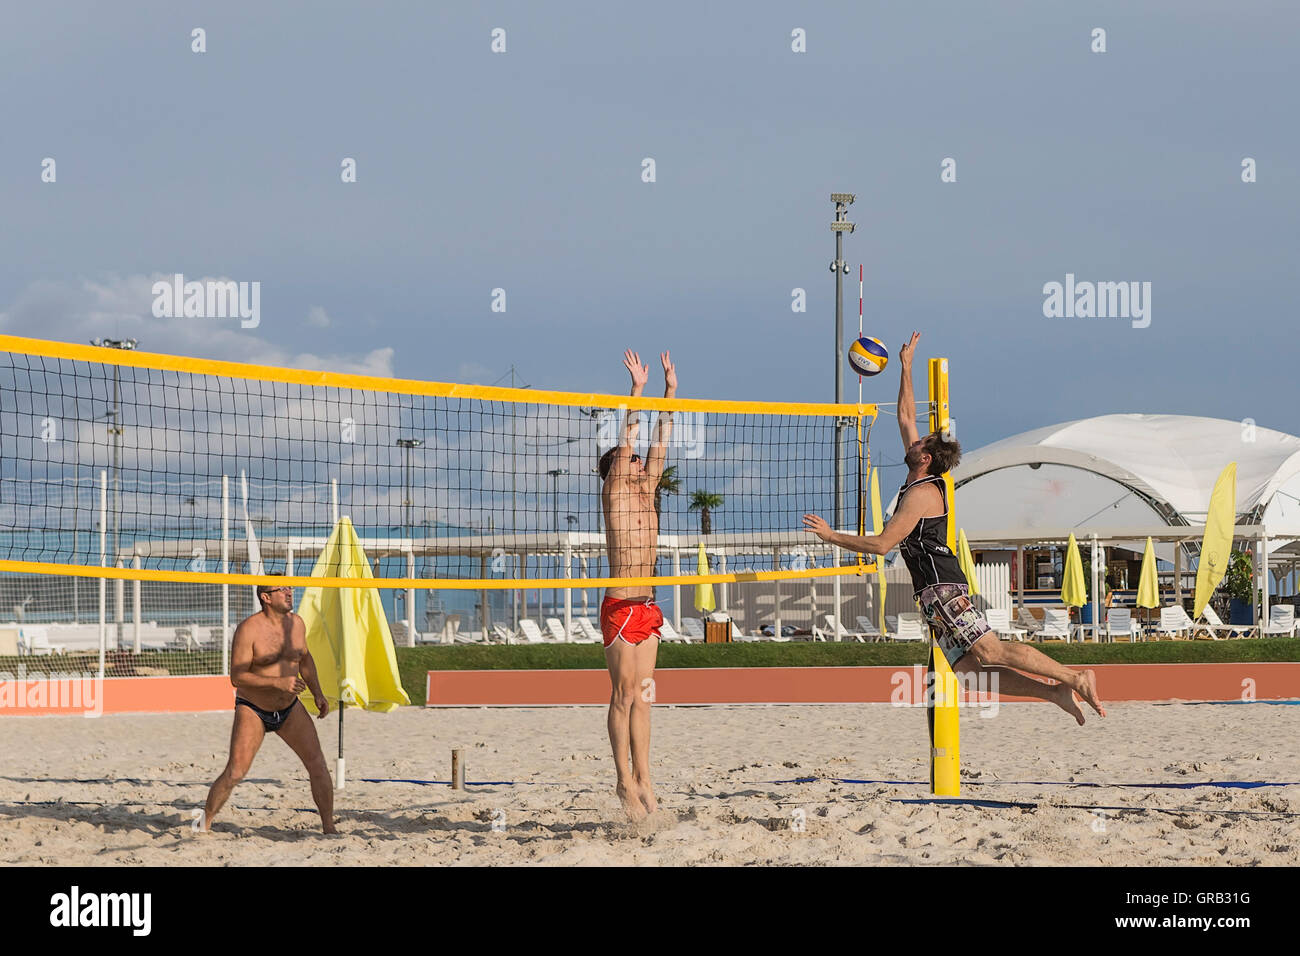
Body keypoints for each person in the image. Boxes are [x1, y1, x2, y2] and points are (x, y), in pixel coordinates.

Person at [803, 331, 1105, 724]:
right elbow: (907, 416)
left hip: (942, 588)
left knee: (991, 651)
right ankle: (1054, 693)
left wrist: (831, 536)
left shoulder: (922, 494)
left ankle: (1073, 676)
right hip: (932, 595)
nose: (912, 440)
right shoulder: (920, 475)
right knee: (970, 672)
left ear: (924, 457)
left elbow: (882, 545)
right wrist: (906, 367)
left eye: (920, 442)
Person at [597, 349, 675, 820]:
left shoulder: (646, 491)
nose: (642, 464)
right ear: (615, 471)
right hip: (620, 606)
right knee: (623, 696)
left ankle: (645, 776)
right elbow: (630, 436)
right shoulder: (614, 494)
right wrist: (638, 391)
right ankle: (622, 780)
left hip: (647, 606)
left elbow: (660, 439)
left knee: (645, 696)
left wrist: (669, 391)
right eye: (631, 462)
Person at [202, 577, 337, 833]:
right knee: (236, 772)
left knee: (317, 764)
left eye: (290, 588)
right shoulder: (249, 629)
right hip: (253, 708)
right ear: (266, 597)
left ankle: (329, 828)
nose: (289, 592)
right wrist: (278, 683)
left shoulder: (297, 623)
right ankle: (204, 823)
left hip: (289, 708)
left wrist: (318, 693)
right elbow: (237, 677)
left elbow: (305, 659)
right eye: (282, 589)